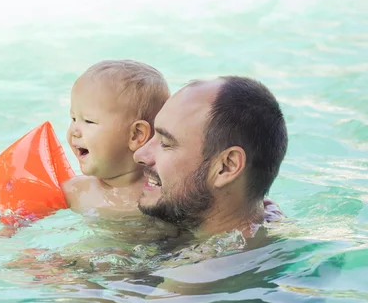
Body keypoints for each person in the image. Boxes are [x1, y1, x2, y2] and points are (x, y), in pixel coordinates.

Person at [134, 76, 288, 239]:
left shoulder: (206, 264)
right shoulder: (264, 219)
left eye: (165, 143)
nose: (139, 155)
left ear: (226, 167)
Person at [62, 60, 172, 220]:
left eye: (88, 121)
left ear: (136, 135)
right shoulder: (73, 191)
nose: (74, 131)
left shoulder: (163, 197)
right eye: (73, 118)